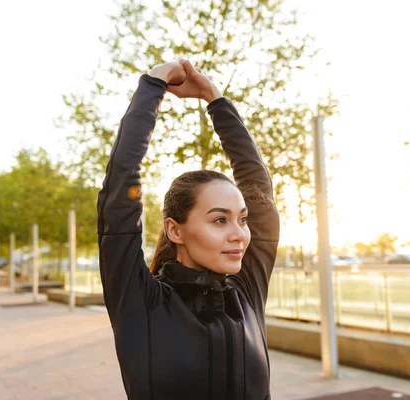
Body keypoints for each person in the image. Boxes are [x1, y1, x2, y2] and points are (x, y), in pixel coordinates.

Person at [97, 58, 280, 399]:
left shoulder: (246, 294)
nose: (239, 233)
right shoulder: (142, 303)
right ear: (175, 231)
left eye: (242, 219)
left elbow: (260, 192)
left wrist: (216, 101)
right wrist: (153, 84)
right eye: (219, 220)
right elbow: (120, 191)